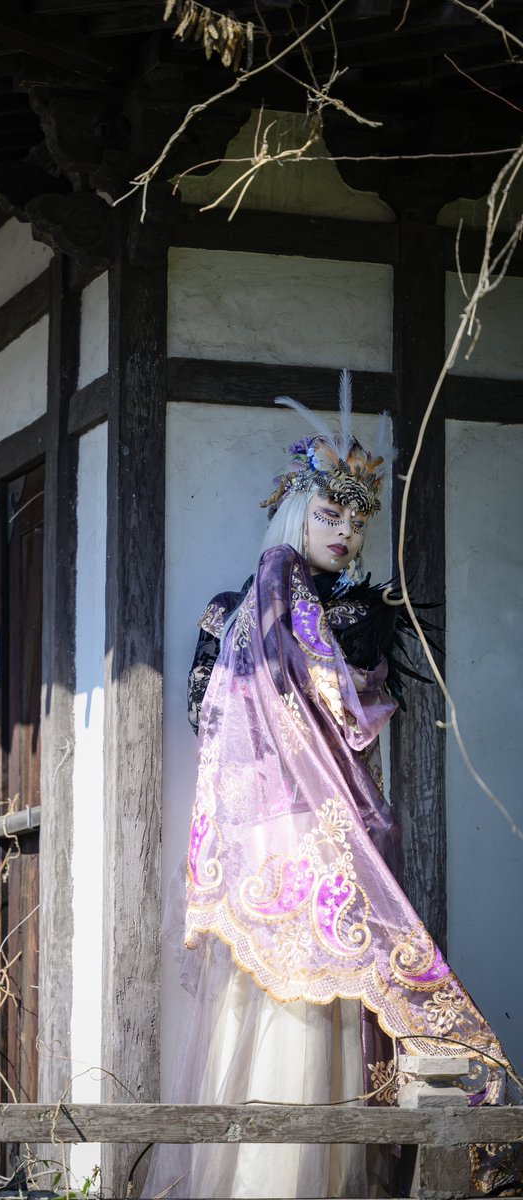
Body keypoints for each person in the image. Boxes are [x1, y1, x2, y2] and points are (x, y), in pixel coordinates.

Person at [143, 373, 519, 1200]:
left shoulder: (357, 616)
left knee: (329, 1005)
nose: (345, 532)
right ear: (294, 515)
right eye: (329, 515)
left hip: (333, 831)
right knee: (270, 1004)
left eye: (357, 521)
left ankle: (322, 1179)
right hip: (267, 836)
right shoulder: (234, 614)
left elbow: (356, 716)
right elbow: (210, 717)